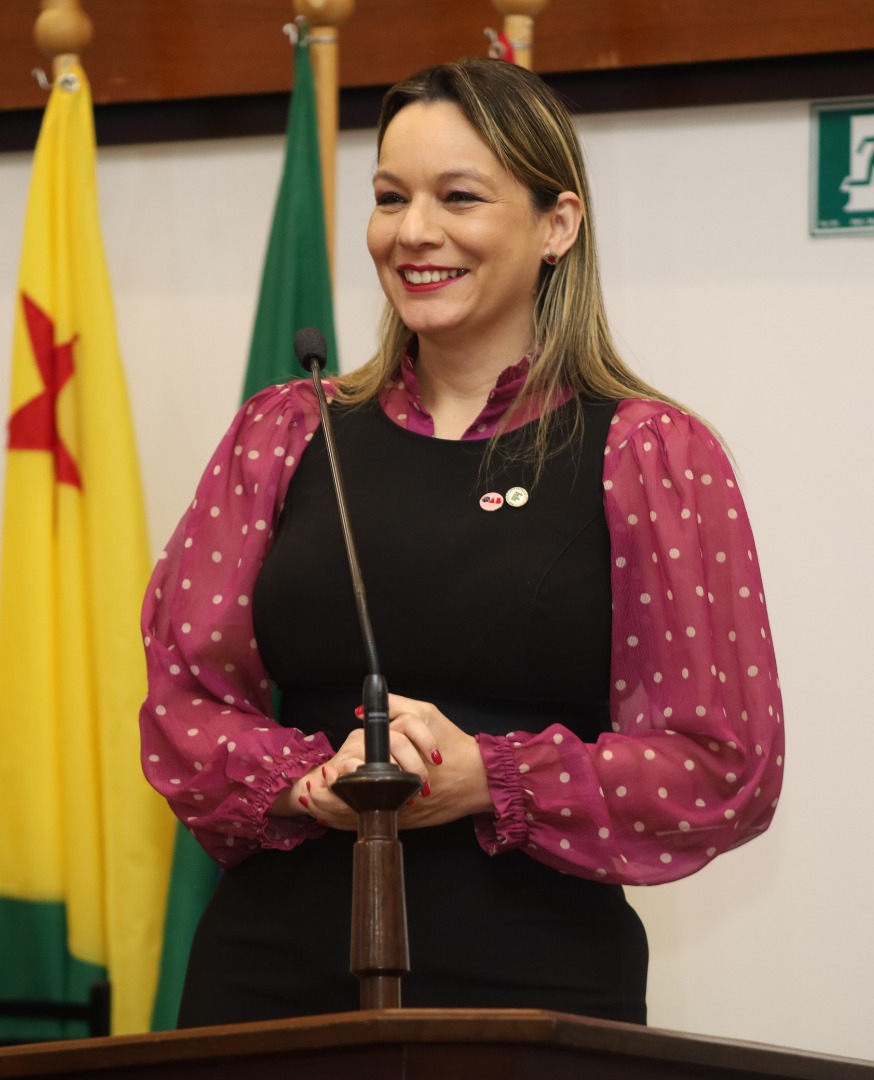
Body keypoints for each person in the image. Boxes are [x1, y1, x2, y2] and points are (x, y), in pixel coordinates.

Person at [140, 57, 784, 1028]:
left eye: (458, 197)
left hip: (534, 992)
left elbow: (723, 762)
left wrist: (494, 778)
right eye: (390, 197)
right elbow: (183, 699)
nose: (413, 232)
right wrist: (305, 783)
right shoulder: (286, 430)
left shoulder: (650, 452)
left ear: (557, 224)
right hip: (269, 982)